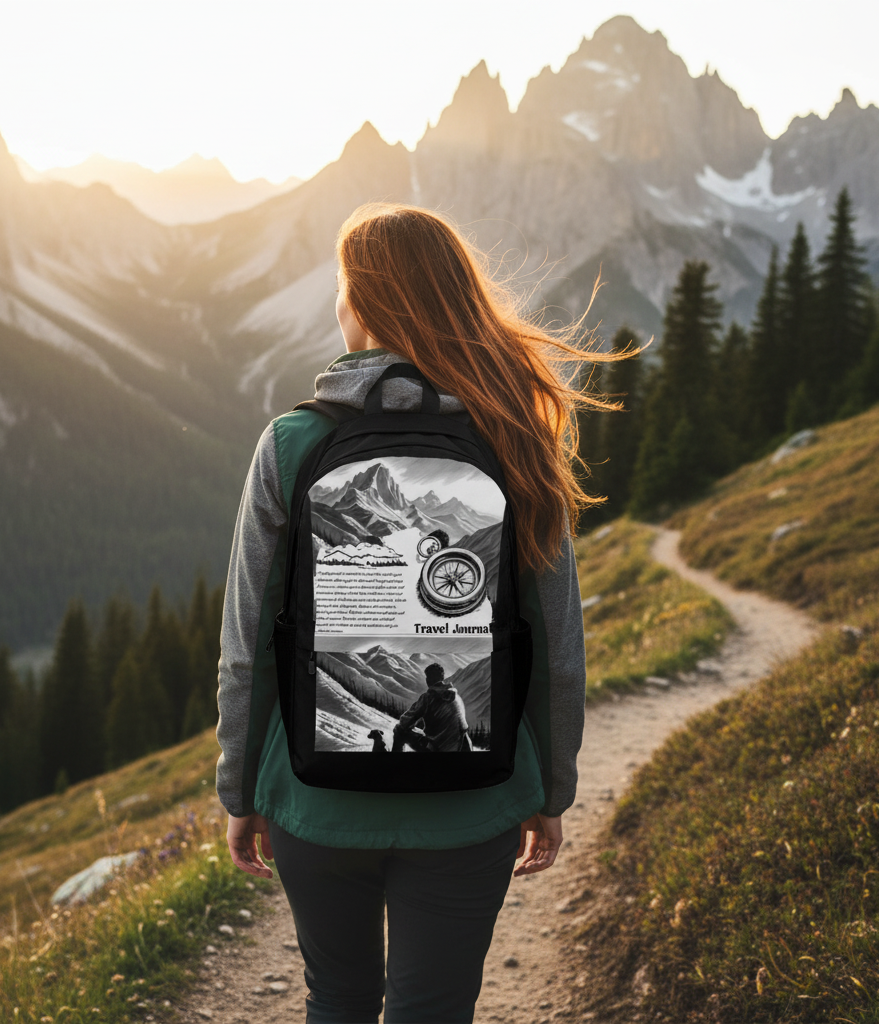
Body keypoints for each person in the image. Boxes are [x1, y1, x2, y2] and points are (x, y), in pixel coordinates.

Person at [217, 203, 601, 1024]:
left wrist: (240, 788)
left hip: (314, 803)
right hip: (474, 804)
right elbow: (558, 645)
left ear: (360, 303)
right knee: (435, 1010)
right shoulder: (515, 436)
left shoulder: (291, 444)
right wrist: (552, 789)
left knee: (339, 999)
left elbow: (247, 643)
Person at [391, 663, 473, 753]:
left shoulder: (428, 697)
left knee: (399, 730)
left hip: (438, 748)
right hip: (461, 746)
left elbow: (404, 722)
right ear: (442, 678)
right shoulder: (456, 697)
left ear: (428, 680)